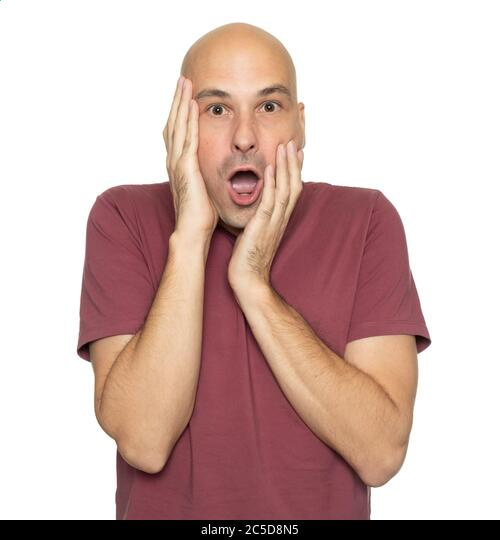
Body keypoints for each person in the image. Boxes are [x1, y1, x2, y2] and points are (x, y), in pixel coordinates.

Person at [76, 22, 431, 520]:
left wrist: (253, 283)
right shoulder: (122, 217)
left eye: (268, 106)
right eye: (217, 110)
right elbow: (144, 441)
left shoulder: (367, 220)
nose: (244, 138)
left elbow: (381, 453)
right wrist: (191, 236)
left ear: (300, 125)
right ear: (179, 126)